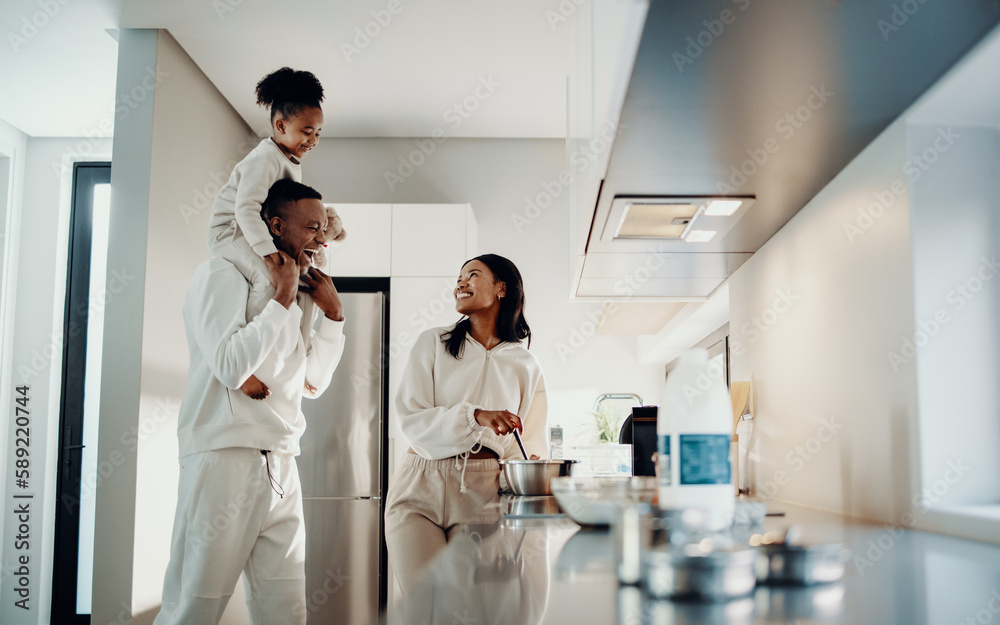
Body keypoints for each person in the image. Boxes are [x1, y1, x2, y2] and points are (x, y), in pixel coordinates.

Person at [154, 179, 346, 625]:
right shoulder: (219, 274)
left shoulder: (298, 295)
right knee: (194, 606)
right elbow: (229, 365)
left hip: (281, 460)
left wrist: (334, 316)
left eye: (324, 229)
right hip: (225, 457)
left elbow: (312, 383)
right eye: (312, 228)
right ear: (275, 226)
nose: (322, 238)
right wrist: (280, 296)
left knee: (286, 610)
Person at [384, 254, 548, 595]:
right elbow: (411, 418)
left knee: (470, 607)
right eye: (459, 277)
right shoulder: (433, 342)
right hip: (419, 485)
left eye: (472, 275)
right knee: (424, 608)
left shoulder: (525, 364)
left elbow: (527, 444)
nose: (461, 282)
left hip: (483, 494)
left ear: (502, 288)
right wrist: (474, 416)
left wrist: (526, 469)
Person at [206, 66, 344, 402]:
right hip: (232, 233)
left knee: (303, 275)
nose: (312, 140)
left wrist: (324, 223)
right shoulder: (264, 159)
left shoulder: (290, 158)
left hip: (254, 229)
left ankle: (300, 349)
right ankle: (242, 374)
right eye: (306, 131)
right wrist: (270, 255)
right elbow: (245, 210)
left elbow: (291, 206)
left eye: (318, 134)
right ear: (280, 126)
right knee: (271, 280)